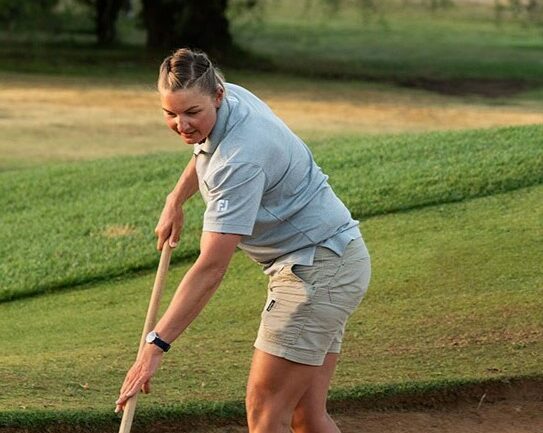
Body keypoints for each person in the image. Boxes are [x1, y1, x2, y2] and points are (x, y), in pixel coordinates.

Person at [115, 48, 371, 433]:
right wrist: (176, 199)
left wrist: (155, 347)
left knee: (266, 412)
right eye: (171, 114)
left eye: (191, 113)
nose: (182, 125)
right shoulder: (230, 98)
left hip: (316, 272)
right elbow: (206, 148)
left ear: (216, 96)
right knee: (306, 416)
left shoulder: (240, 161)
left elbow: (211, 268)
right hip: (338, 258)